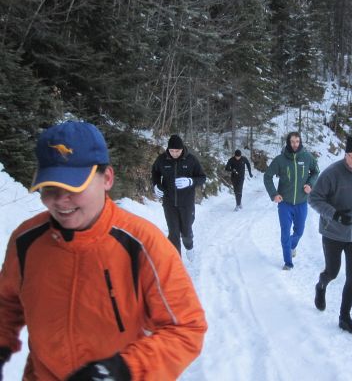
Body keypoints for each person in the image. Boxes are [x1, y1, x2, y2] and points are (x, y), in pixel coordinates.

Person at [0, 121, 207, 380]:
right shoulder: (26, 240)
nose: (60, 200)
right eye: (49, 187)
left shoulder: (142, 244)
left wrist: (123, 369)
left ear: (107, 178)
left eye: (74, 186)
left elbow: (187, 328)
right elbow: (6, 302)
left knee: (182, 230)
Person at [308, 134, 352, 334]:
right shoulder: (332, 173)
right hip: (333, 234)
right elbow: (314, 199)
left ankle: (344, 317)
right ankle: (321, 286)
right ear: (346, 155)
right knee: (333, 272)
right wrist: (335, 215)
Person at [263, 131, 319, 270]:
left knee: (299, 231)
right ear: (288, 142)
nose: (295, 144)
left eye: (297, 141)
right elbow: (267, 176)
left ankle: (292, 246)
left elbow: (316, 172)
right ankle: (288, 262)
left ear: (300, 142)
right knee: (285, 232)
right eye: (292, 142)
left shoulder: (307, 157)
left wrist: (310, 184)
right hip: (285, 204)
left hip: (301, 202)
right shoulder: (280, 160)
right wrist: (274, 194)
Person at [151, 135, 206, 261]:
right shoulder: (162, 159)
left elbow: (202, 178)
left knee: (186, 232)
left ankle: (189, 246)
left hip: (186, 204)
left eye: (177, 151)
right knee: (173, 233)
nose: (174, 154)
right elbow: (155, 172)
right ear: (168, 149)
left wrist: (190, 181)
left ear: (182, 149)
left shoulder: (191, 160)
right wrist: (156, 186)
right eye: (172, 151)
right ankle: (176, 263)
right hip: (169, 203)